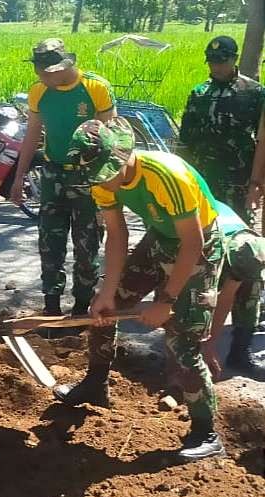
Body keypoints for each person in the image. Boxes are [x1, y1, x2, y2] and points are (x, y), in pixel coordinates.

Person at [55, 118, 226, 462]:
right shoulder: (101, 181)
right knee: (106, 309)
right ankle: (95, 383)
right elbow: (117, 236)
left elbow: (192, 242)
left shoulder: (167, 175)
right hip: (160, 239)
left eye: (107, 171)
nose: (103, 180)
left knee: (181, 339)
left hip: (200, 246)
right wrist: (107, 292)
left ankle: (206, 432)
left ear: (124, 156)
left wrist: (165, 300)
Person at [9, 38, 115, 316]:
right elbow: (32, 135)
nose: (40, 78)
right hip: (53, 174)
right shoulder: (39, 92)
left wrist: (110, 185)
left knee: (87, 245)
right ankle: (52, 305)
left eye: (44, 73)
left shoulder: (95, 88)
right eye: (38, 73)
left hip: (88, 178)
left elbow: (112, 140)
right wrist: (19, 178)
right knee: (49, 242)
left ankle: (82, 307)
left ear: (60, 68)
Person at [181, 35, 265, 348]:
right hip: (204, 187)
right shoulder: (198, 93)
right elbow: (185, 145)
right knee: (199, 254)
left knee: (245, 261)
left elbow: (262, 142)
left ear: (235, 59)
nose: (217, 66)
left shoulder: (254, 93)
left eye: (223, 61)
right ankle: (192, 327)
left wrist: (257, 185)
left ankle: (242, 342)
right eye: (213, 62)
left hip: (239, 186)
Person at [201, 203, 265, 381]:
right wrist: (210, 345)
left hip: (231, 245)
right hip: (200, 241)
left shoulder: (254, 243)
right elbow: (224, 300)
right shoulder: (214, 242)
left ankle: (239, 353)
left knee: (252, 289)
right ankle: (186, 351)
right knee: (200, 296)